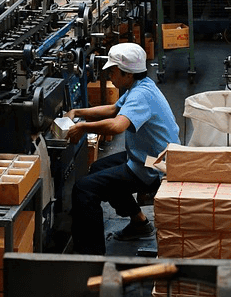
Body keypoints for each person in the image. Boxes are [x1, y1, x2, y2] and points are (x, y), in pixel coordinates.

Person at [65, 43, 179, 255]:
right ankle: (139, 223)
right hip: (147, 156)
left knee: (84, 189)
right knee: (98, 168)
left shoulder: (140, 95)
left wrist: (82, 127)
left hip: (154, 165)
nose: (110, 75)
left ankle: (90, 257)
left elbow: (117, 125)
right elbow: (113, 109)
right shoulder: (140, 85)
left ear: (127, 74)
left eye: (113, 71)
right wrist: (77, 111)